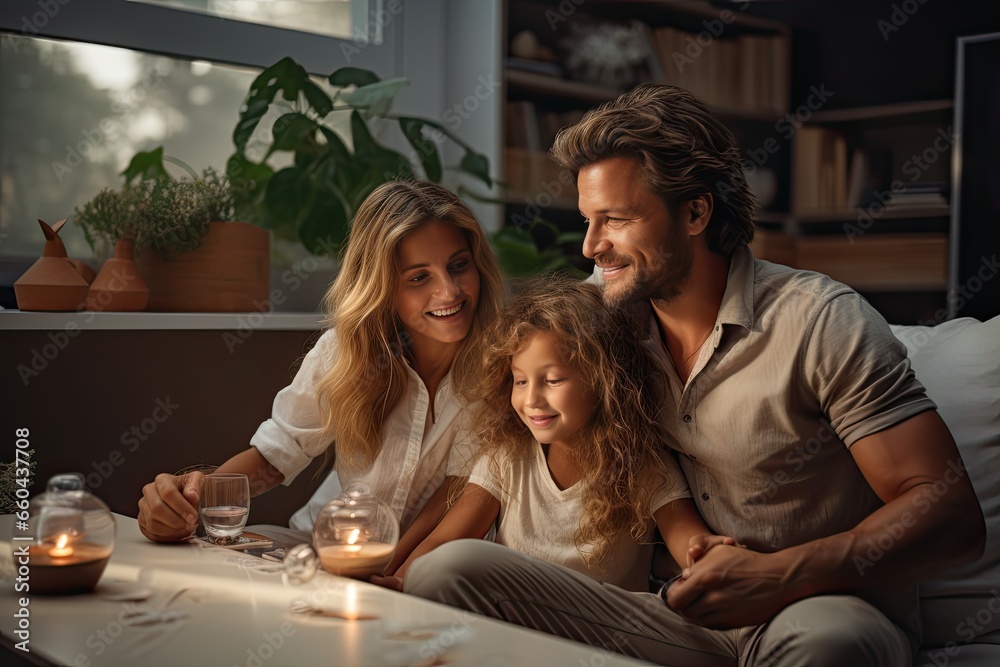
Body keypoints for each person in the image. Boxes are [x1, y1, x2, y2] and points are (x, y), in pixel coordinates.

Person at [403, 85, 986, 666]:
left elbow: (947, 510)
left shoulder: (821, 321)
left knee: (829, 642)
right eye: (587, 220)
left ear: (696, 212)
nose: (590, 246)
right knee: (450, 572)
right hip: (676, 617)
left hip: (821, 610)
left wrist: (778, 575)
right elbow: (494, 434)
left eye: (617, 220)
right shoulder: (594, 322)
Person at [137, 180, 507, 570]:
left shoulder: (503, 363)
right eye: (419, 277)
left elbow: (455, 493)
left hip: (427, 559)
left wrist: (392, 572)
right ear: (383, 287)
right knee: (226, 562)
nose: (449, 291)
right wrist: (188, 501)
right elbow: (275, 457)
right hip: (322, 541)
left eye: (458, 265)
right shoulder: (344, 351)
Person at [377, 276, 733, 592]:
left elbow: (686, 535)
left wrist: (708, 555)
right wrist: (398, 584)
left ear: (602, 381)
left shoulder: (641, 466)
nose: (531, 399)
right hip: (514, 624)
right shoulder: (506, 457)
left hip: (602, 632)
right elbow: (445, 541)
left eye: (552, 380)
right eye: (520, 381)